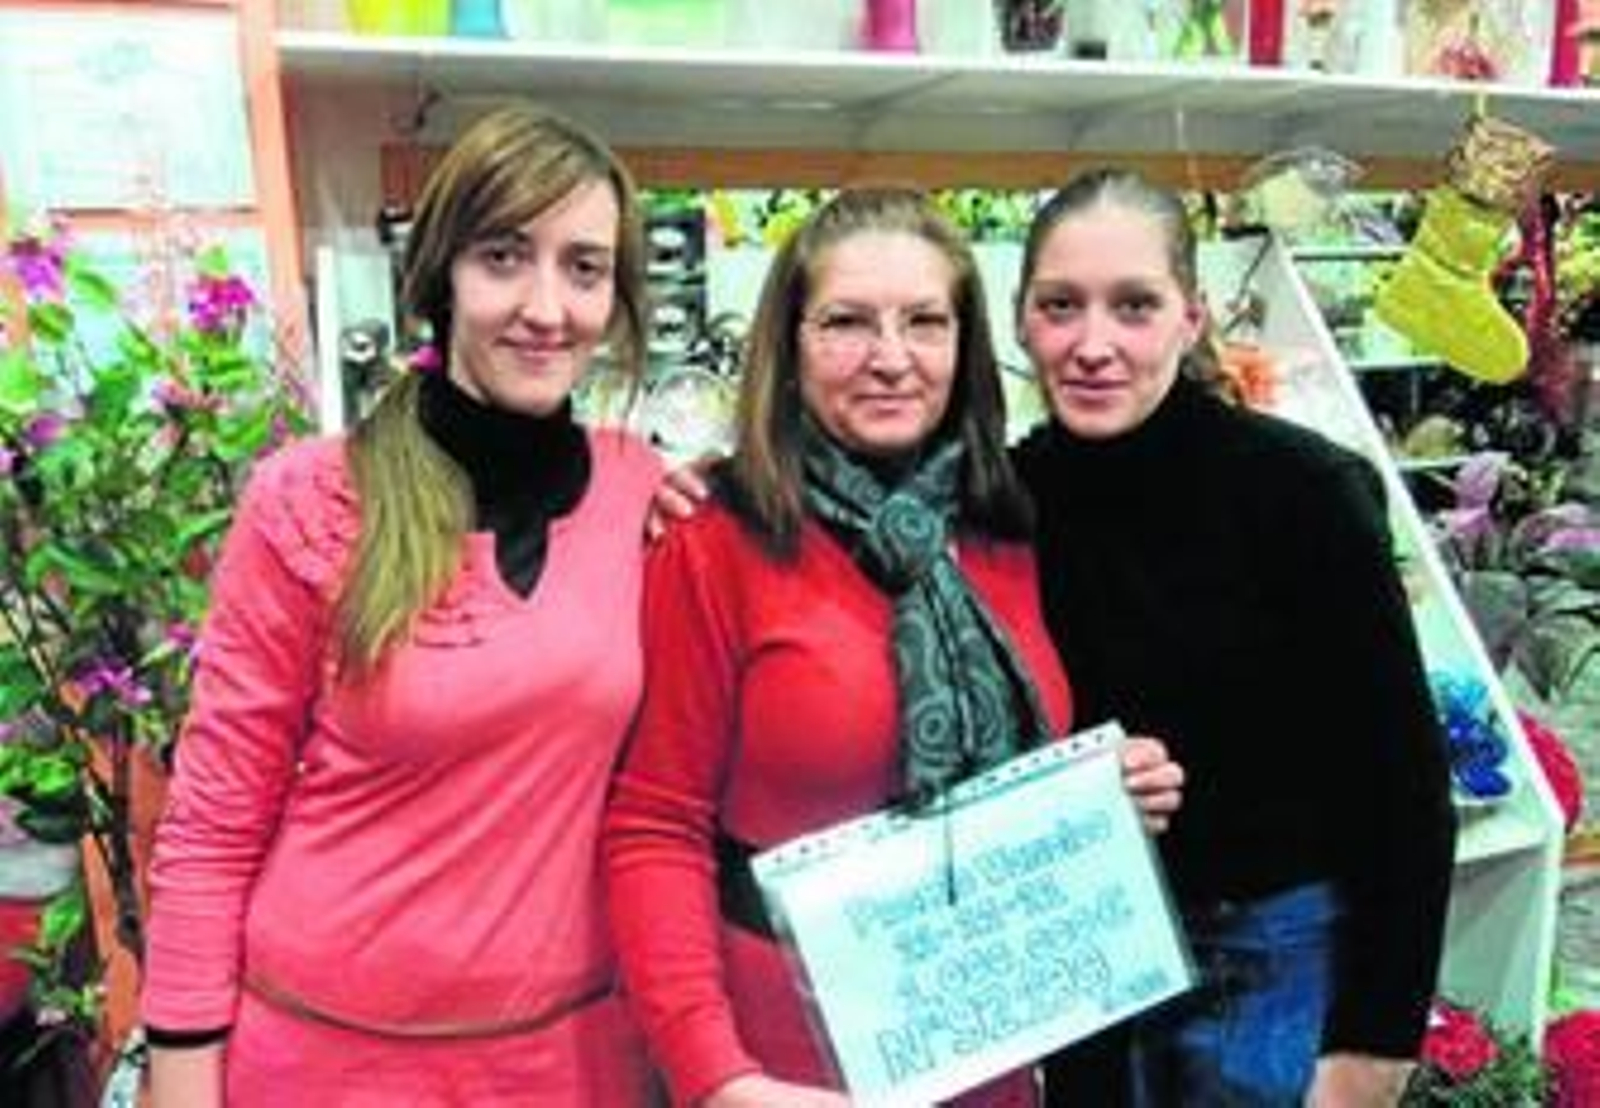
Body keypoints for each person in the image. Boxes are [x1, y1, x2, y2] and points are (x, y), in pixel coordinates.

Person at [603, 186, 1184, 1108]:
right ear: (788, 348)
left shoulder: (1007, 528)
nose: (890, 359)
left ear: (964, 346)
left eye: (924, 322)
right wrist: (717, 1076)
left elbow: (1008, 780)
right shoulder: (714, 544)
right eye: (845, 323)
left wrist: (1097, 794)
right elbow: (653, 825)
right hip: (786, 1064)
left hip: (987, 1038)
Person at [140, 104, 662, 1106]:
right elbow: (211, 824)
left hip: (572, 1059)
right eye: (504, 256)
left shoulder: (645, 495)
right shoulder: (308, 499)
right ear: (440, 274)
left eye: (584, 268)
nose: (546, 306)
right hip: (327, 1055)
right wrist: (181, 1072)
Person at [1010, 168, 1458, 1107]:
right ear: (1021, 320)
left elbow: (1405, 787)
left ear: (1192, 316)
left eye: (1135, 306)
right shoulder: (1005, 499)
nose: (1095, 344)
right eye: (1062, 306)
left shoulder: (1302, 492)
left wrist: (1372, 1046)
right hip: (1089, 954)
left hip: (1271, 959)